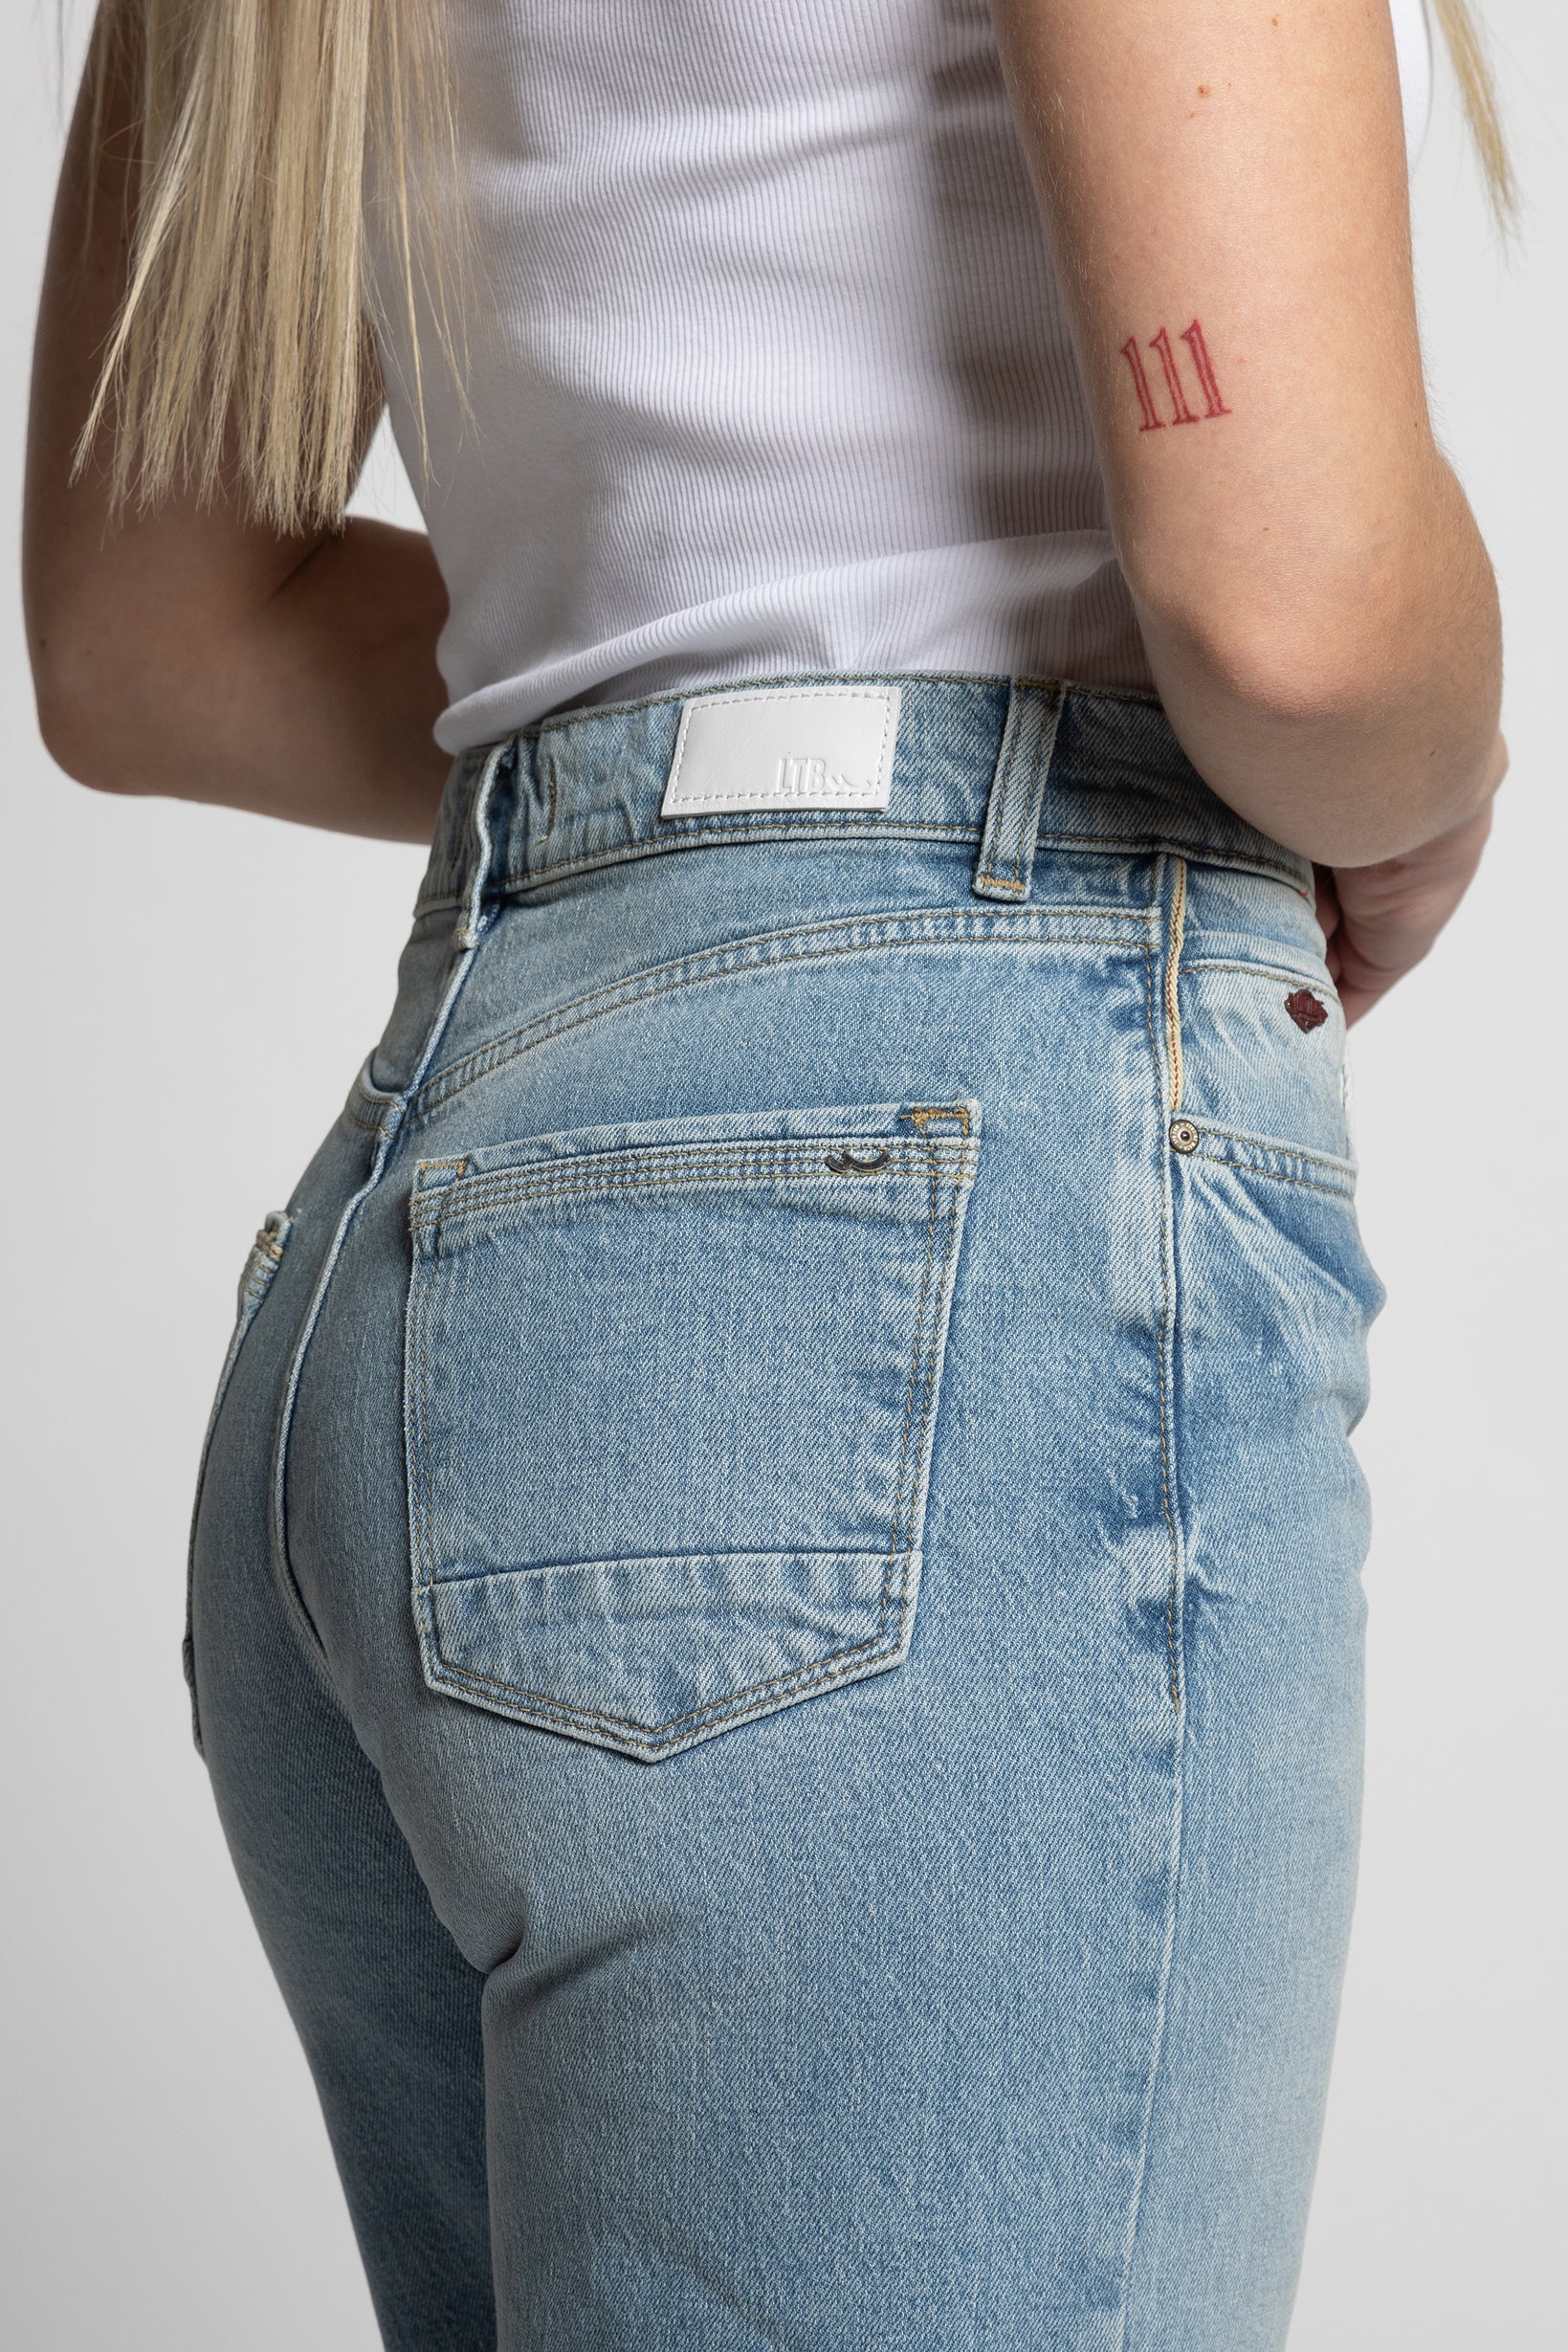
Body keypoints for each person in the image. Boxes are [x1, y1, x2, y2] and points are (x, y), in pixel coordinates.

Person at [22, 1, 1510, 2344]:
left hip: (438, 1236)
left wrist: (657, 706)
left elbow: (152, 638)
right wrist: (1435, 763)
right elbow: (1295, 616)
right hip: (883, 1281)